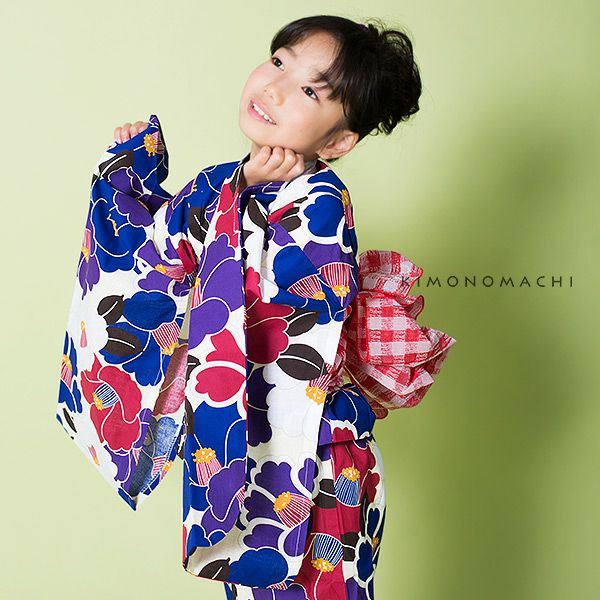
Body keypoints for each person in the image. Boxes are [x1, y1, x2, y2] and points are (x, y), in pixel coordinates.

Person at [57, 14, 455, 600]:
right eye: (278, 62)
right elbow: (160, 255)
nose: (275, 88)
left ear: (338, 142)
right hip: (259, 462)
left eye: (310, 90)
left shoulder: (320, 202)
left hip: (317, 462)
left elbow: (257, 307)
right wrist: (131, 171)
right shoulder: (236, 187)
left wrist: (235, 189)